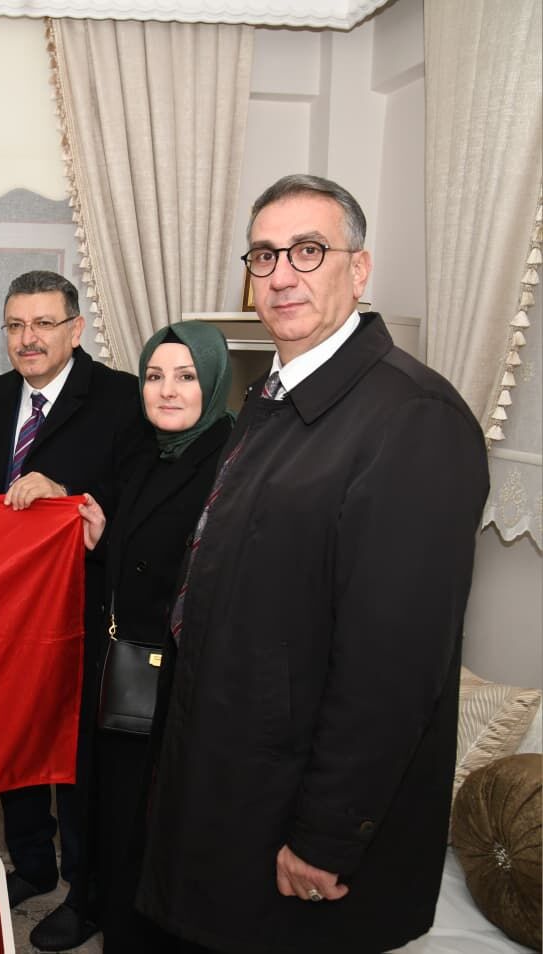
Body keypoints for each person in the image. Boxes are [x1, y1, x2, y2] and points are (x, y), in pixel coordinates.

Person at [137, 174, 489, 953]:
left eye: (306, 250)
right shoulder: (271, 397)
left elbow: (394, 665)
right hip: (231, 771)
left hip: (296, 811)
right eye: (263, 255)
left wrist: (329, 832)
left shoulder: (412, 418)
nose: (281, 275)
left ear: (357, 270)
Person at [0, 270, 153, 951]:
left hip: (83, 611)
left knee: (78, 757)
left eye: (43, 324)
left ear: (75, 329)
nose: (27, 339)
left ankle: (86, 894)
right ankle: (31, 865)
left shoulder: (123, 398)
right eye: (15, 325)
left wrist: (70, 494)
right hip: (0, 611)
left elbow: (140, 497)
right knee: (14, 737)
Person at [75, 320, 233, 952]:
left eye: (186, 377)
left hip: (190, 681)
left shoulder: (232, 461)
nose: (167, 391)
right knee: (116, 812)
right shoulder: (147, 451)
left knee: (162, 827)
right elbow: (145, 553)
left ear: (213, 383)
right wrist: (104, 540)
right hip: (130, 669)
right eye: (155, 376)